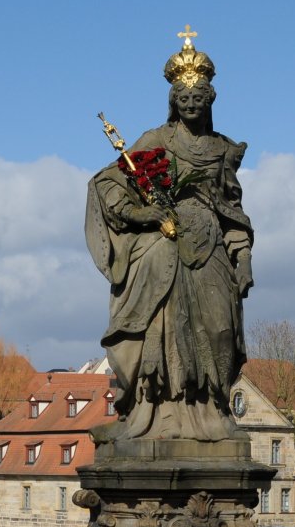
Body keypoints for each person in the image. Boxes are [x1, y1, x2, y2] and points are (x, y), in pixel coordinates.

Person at [85, 29, 253, 442]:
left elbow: (233, 209)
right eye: (184, 98)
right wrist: (143, 213)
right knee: (159, 333)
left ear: (211, 100)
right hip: (165, 245)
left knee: (220, 330)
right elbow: (107, 182)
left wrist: (243, 257)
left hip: (210, 246)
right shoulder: (155, 140)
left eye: (199, 98)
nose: (191, 104)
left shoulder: (223, 149)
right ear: (173, 101)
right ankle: (153, 414)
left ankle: (212, 413)